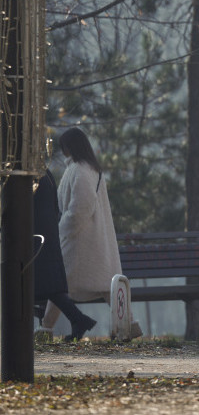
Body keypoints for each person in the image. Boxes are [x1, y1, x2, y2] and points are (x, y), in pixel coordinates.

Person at [39, 127, 122, 336]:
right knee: (95, 286)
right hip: (89, 238)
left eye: (64, 146)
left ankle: (48, 327)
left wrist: (62, 230)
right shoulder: (87, 168)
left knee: (58, 283)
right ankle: (126, 325)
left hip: (79, 240)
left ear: (70, 147)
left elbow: (80, 209)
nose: (63, 150)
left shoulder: (80, 170)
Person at [33, 169, 97, 341]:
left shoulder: (30, 174)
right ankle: (79, 319)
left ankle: (79, 320)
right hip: (47, 233)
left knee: (44, 285)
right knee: (50, 286)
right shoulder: (44, 174)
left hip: (36, 235)